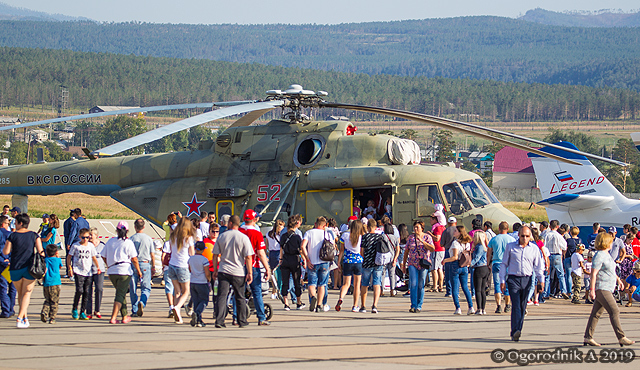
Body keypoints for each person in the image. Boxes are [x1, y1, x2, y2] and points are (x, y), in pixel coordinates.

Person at [583, 232, 635, 347]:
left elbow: (610, 270)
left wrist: (618, 280)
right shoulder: (599, 255)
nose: (612, 243)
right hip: (602, 288)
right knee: (614, 310)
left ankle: (588, 337)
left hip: (608, 287)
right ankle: (621, 337)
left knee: (596, 313)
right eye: (611, 241)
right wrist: (592, 289)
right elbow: (594, 273)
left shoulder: (607, 255)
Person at [499, 226, 545, 342]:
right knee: (516, 305)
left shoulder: (534, 249)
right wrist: (502, 280)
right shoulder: (511, 247)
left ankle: (518, 329)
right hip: (513, 279)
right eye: (522, 236)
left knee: (523, 305)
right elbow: (504, 264)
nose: (525, 238)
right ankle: (515, 331)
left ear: (530, 237)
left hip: (527, 279)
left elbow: (538, 266)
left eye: (527, 236)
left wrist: (541, 280)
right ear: (518, 235)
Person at [212, 215, 254, 328]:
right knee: (239, 296)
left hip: (224, 270)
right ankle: (242, 320)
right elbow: (249, 257)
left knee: (222, 296)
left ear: (230, 223)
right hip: (238, 271)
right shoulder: (243, 237)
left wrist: (215, 270)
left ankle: (219, 320)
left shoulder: (222, 237)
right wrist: (249, 272)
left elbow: (215, 255)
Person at [3, 213, 44, 328]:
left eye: (15, 223)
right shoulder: (34, 235)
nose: (14, 225)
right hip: (29, 268)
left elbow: (6, 252)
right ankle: (20, 317)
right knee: (27, 292)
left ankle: (25, 317)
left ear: (20, 223)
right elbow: (41, 251)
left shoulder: (12, 236)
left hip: (15, 268)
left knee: (20, 293)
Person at [102, 221, 142, 324]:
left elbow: (103, 255)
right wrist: (138, 271)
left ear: (117, 230)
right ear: (127, 231)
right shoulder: (128, 243)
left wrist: (109, 265)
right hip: (124, 271)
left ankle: (124, 316)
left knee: (121, 292)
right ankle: (113, 317)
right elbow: (134, 259)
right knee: (120, 294)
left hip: (112, 271)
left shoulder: (110, 241)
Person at [240, 209, 271, 325]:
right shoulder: (257, 233)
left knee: (239, 292)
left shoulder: (239, 231)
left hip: (239, 265)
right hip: (254, 265)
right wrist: (267, 268)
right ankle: (261, 318)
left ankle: (236, 317)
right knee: (257, 292)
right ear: (254, 220)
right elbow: (261, 253)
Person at [67, 228, 101, 320]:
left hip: (88, 271)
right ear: (79, 237)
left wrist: (98, 267)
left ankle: (82, 311)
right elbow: (69, 257)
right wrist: (70, 268)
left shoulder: (90, 246)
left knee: (86, 292)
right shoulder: (76, 246)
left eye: (87, 237)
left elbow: (94, 257)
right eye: (83, 237)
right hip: (78, 270)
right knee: (79, 290)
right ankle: (74, 308)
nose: (85, 239)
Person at [402, 220, 435, 313]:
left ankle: (419, 305)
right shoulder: (410, 238)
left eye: (417, 227)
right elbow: (406, 251)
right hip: (413, 263)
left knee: (421, 284)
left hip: (423, 263)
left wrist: (423, 242)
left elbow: (432, 248)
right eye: (414, 227)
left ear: (422, 228)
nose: (415, 229)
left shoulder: (427, 237)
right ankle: (413, 305)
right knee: (413, 284)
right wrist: (404, 265)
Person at [167, 217, 196, 324]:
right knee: (186, 291)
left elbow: (170, 249)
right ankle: (178, 307)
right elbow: (192, 254)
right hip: (183, 266)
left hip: (172, 265)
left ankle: (177, 314)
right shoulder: (189, 238)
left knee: (177, 291)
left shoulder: (173, 236)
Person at [301, 216, 332, 313]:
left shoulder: (309, 233)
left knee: (311, 284)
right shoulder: (327, 233)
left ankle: (313, 297)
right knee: (322, 284)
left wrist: (307, 259)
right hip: (324, 262)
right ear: (325, 225)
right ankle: (319, 305)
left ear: (315, 224)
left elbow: (302, 246)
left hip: (312, 262)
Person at [443, 225, 474, 315]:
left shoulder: (455, 243)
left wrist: (445, 260)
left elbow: (455, 257)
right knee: (465, 287)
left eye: (456, 231)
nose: (454, 232)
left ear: (460, 233)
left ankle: (458, 307)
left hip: (455, 265)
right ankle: (471, 306)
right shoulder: (467, 243)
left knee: (455, 288)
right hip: (464, 265)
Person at [129, 219, 156, 317]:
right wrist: (153, 266)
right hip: (145, 263)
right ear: (144, 227)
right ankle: (142, 302)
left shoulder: (131, 239)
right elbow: (152, 254)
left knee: (133, 288)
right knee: (146, 288)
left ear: (135, 227)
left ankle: (135, 309)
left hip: (133, 264)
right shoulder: (148, 239)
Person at [336, 220, 364, 312]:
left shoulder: (345, 236)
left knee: (346, 284)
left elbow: (341, 251)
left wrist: (339, 262)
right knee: (357, 285)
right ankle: (355, 305)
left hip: (347, 261)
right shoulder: (361, 237)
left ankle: (341, 298)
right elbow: (362, 251)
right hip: (358, 261)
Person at [487, 221, 515, 314]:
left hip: (496, 262)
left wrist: (488, 263)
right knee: (507, 285)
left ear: (499, 229)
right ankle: (507, 305)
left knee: (497, 284)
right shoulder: (511, 240)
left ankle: (498, 305)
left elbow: (489, 252)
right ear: (507, 229)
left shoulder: (494, 239)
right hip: (508, 263)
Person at [279, 215, 305, 310]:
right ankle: (298, 302)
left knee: (285, 282)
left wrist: (281, 259)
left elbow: (281, 248)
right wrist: (304, 260)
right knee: (296, 281)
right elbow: (301, 250)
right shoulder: (297, 237)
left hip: (285, 259)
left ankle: (286, 303)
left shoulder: (283, 236)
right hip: (295, 259)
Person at [359, 218, 383, 313]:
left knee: (364, 284)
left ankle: (363, 305)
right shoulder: (379, 237)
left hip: (367, 263)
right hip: (377, 262)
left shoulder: (365, 237)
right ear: (376, 227)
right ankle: (375, 305)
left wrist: (364, 259)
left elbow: (361, 251)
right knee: (377, 284)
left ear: (368, 227)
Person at [543, 220, 568, 298]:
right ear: (557, 227)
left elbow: (543, 245)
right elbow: (564, 246)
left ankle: (546, 292)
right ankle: (563, 290)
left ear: (549, 226)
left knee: (547, 275)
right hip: (557, 255)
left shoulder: (546, 235)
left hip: (548, 255)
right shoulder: (558, 236)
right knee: (560, 274)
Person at [188, 241, 211, 327]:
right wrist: (209, 279)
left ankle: (198, 320)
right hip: (202, 282)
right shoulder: (204, 260)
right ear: (203, 250)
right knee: (204, 300)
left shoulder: (191, 258)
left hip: (193, 281)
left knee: (196, 301)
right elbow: (207, 272)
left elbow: (190, 269)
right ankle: (197, 313)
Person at [41, 244, 62, 324]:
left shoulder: (45, 260)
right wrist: (57, 256)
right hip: (55, 282)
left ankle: (44, 311)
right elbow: (60, 267)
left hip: (46, 282)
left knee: (47, 299)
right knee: (54, 301)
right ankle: (52, 317)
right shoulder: (58, 260)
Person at [87, 227, 106, 319]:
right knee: (88, 290)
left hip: (100, 270)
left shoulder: (102, 245)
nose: (90, 237)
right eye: (89, 235)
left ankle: (97, 309)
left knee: (99, 289)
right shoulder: (86, 245)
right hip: (88, 270)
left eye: (91, 235)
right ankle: (88, 311)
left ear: (96, 235)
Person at [471, 230, 489, 314]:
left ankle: (479, 308)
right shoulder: (483, 246)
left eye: (474, 237)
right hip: (484, 267)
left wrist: (470, 264)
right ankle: (483, 308)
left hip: (479, 268)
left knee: (478, 289)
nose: (473, 238)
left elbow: (477, 257)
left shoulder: (479, 246)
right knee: (482, 290)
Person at [427, 211, 446, 293]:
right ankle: (440, 286)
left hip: (437, 249)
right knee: (439, 268)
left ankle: (435, 286)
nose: (430, 221)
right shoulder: (443, 227)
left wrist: (430, 234)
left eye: (431, 219)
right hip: (441, 249)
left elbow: (437, 238)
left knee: (434, 268)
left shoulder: (437, 228)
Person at [266, 220, 285, 299]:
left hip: (271, 254)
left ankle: (274, 291)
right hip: (279, 253)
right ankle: (279, 290)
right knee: (280, 273)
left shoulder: (268, 234)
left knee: (273, 273)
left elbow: (266, 245)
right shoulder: (281, 235)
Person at [382, 223, 400, 297]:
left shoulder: (382, 236)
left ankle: (381, 290)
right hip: (392, 257)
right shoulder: (395, 238)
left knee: (382, 274)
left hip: (384, 257)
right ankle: (392, 290)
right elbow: (398, 249)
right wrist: (395, 258)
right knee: (392, 275)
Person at [441, 216, 457, 297]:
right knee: (455, 272)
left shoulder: (445, 231)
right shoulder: (458, 230)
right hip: (456, 252)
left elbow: (441, 243)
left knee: (447, 272)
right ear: (455, 222)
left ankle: (449, 291)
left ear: (448, 223)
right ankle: (456, 292)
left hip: (448, 252)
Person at [564, 227, 582, 295]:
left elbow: (565, 249)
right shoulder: (580, 240)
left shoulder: (568, 240)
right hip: (576, 259)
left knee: (568, 275)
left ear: (570, 232)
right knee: (576, 274)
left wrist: (564, 256)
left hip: (569, 257)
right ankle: (576, 289)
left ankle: (569, 291)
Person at [63, 209, 79, 277]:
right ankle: (72, 271)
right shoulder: (73, 222)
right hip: (71, 240)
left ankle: (68, 271)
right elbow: (72, 233)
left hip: (66, 239)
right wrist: (70, 242)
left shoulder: (66, 221)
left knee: (68, 255)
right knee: (73, 256)